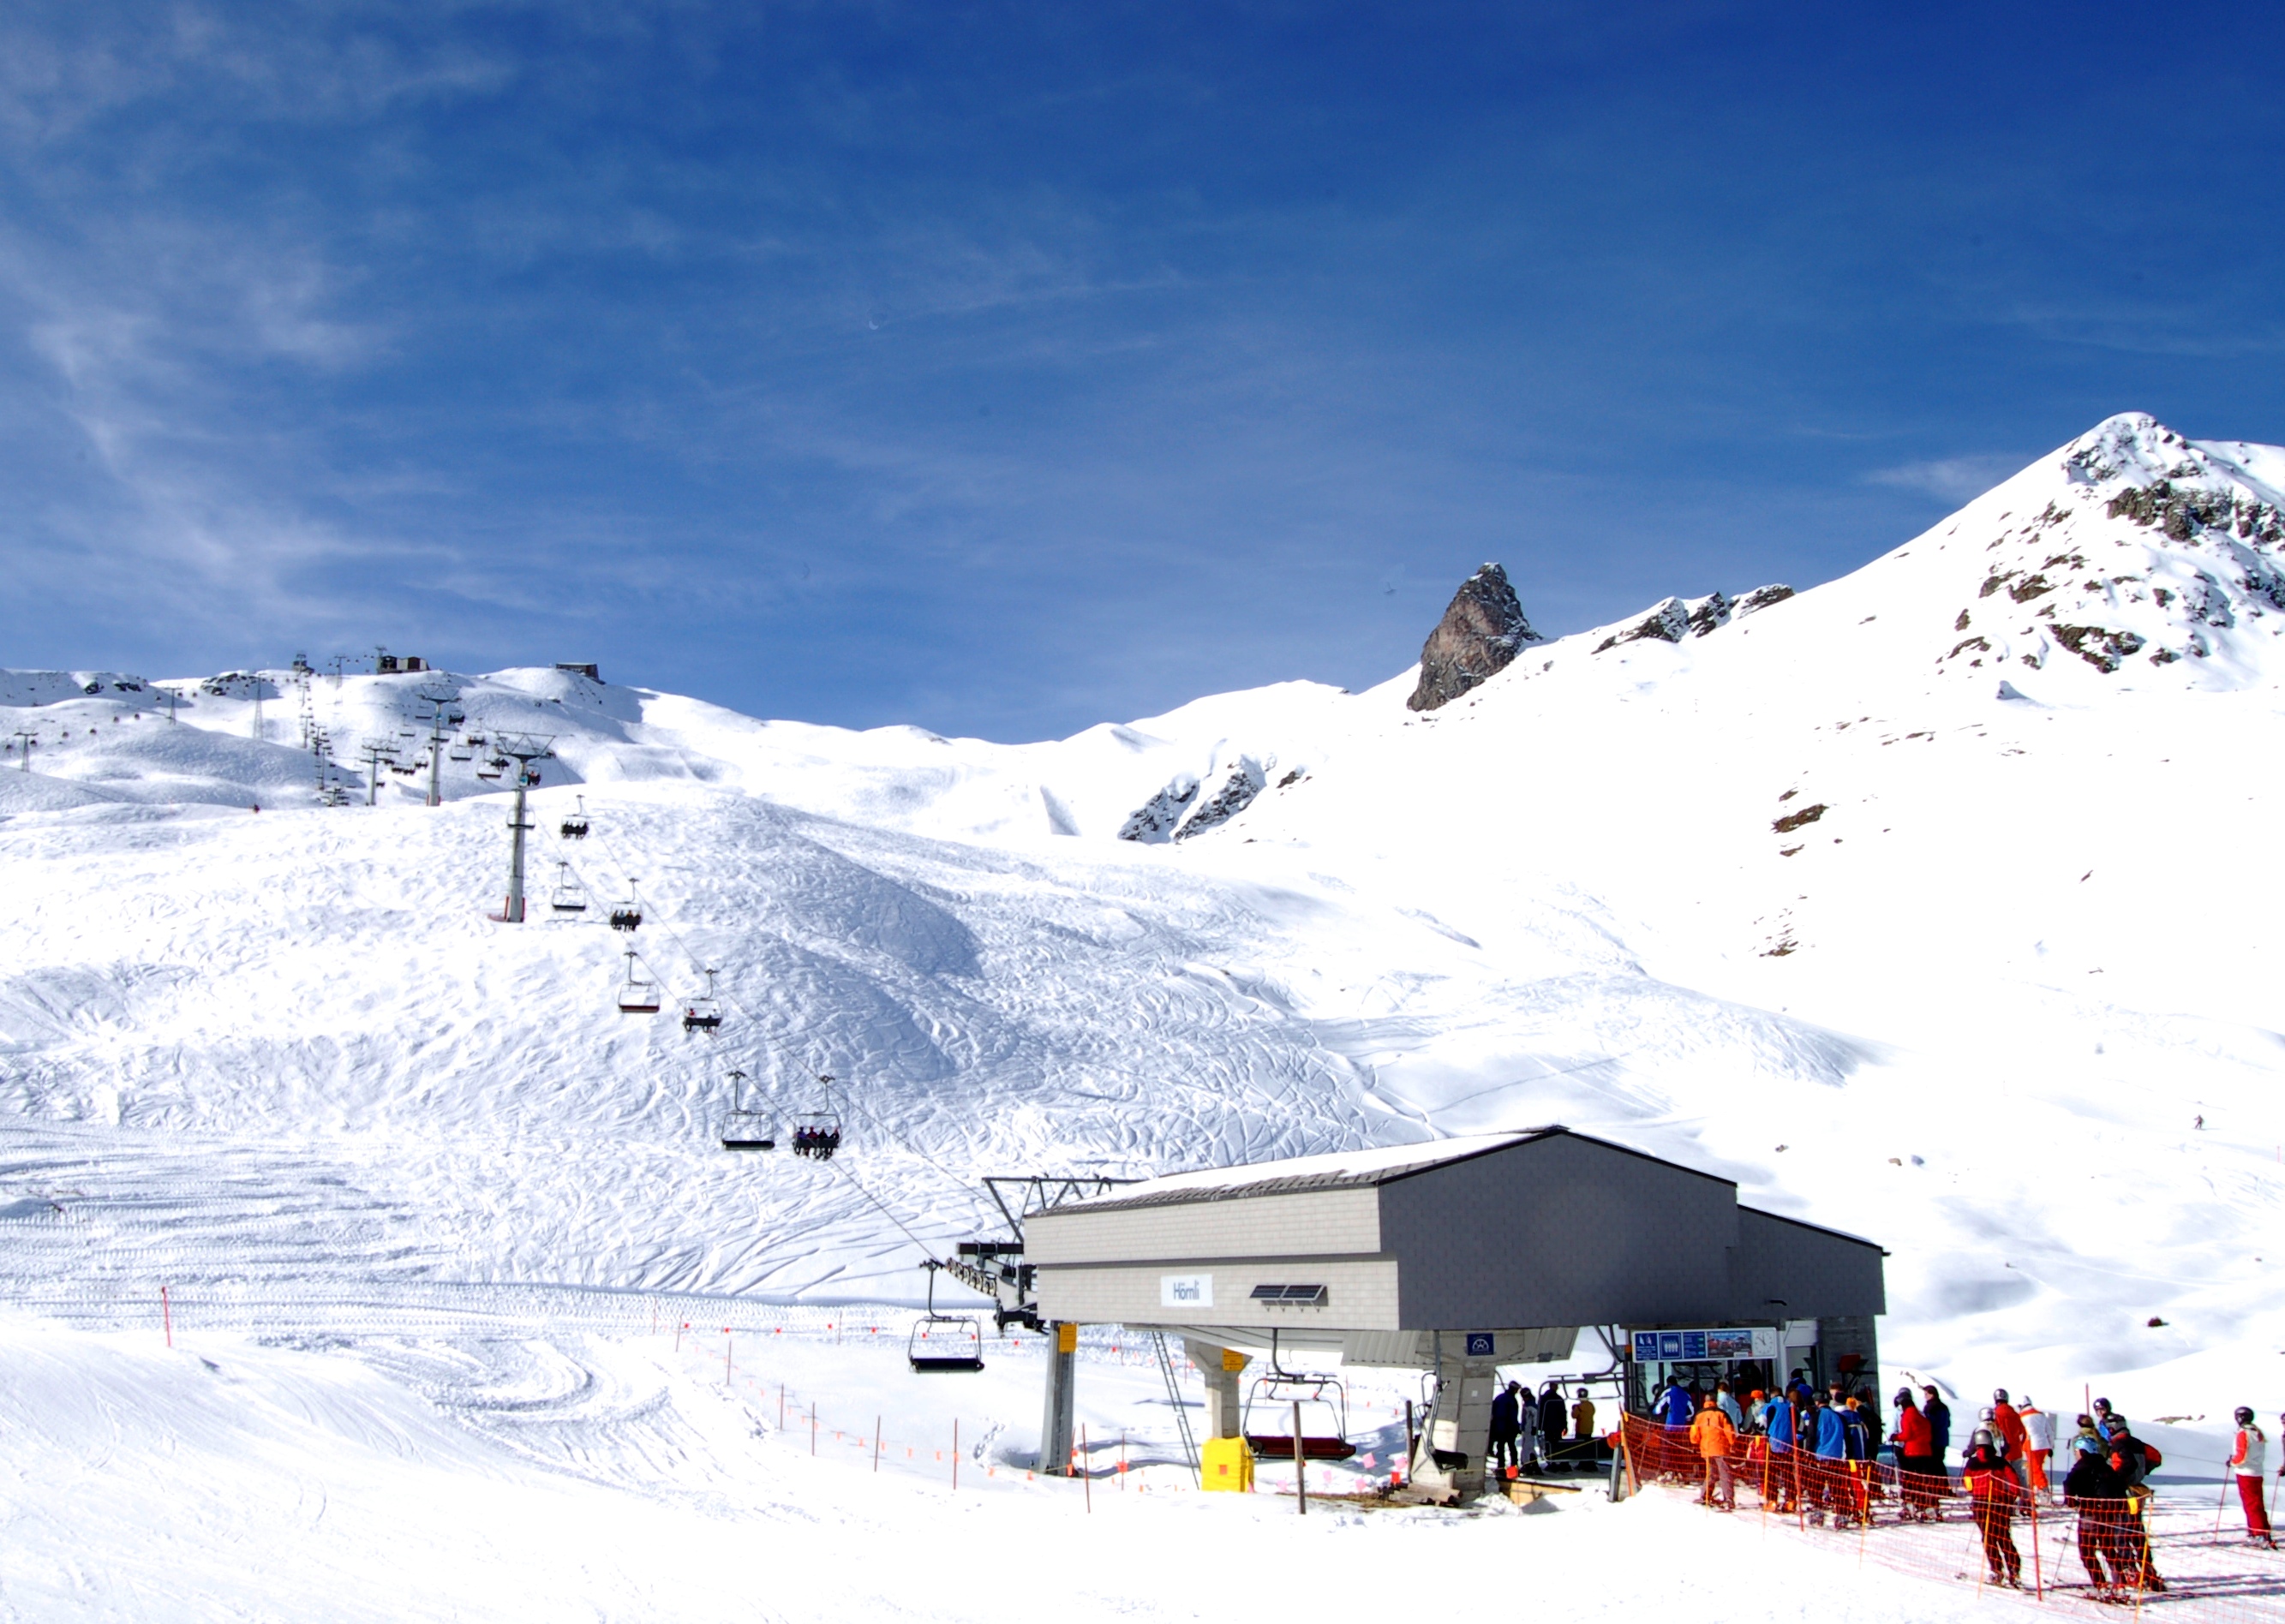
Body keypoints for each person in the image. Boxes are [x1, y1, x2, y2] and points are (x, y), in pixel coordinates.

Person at [2063, 1434, 2133, 1593]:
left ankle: (2101, 1585)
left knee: (2087, 1550)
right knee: (2108, 1548)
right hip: (2110, 1514)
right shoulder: (2105, 1465)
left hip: (2091, 1513)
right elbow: (2119, 1486)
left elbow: (2069, 1483)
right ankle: (2120, 1584)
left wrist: (2071, 1501)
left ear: (2082, 1451)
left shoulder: (2081, 1466)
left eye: (2076, 1451)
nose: (2076, 1454)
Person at [2103, 1419, 2166, 1592]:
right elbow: (2156, 1457)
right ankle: (2147, 1567)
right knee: (2137, 1530)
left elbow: (2128, 1464)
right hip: (2138, 1492)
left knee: (2121, 1531)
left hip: (2125, 1493)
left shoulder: (2118, 1445)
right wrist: (2144, 1471)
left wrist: (2116, 1479)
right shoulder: (2137, 1443)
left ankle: (2129, 1569)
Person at [1962, 1425, 2025, 1588]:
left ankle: (1997, 1571)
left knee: (1988, 1538)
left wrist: (1973, 1490)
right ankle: (2015, 1570)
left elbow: (1967, 1482)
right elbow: (2014, 1480)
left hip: (1981, 1504)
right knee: (2004, 1537)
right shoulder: (1999, 1462)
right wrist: (2011, 1496)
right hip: (1999, 1503)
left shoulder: (1972, 1463)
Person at [1891, 1387, 1940, 1520]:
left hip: (1912, 1451)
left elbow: (1907, 1434)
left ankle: (1914, 1504)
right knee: (1926, 1479)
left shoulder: (1907, 1416)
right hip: (1926, 1450)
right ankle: (1930, 1505)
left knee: (1913, 1479)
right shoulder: (1921, 1415)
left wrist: (1896, 1437)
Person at [2229, 1407, 2274, 1549]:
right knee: (2257, 1504)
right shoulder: (2257, 1432)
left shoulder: (2244, 1433)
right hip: (2257, 1471)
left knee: (2251, 1505)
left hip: (2246, 1472)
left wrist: (2232, 1462)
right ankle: (2262, 1532)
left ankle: (2258, 1534)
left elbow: (2242, 1456)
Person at [1690, 1394, 1738, 1510]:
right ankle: (1728, 1499)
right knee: (1725, 1474)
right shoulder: (1721, 1414)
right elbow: (1729, 1430)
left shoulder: (1699, 1415)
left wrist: (1695, 1443)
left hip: (1706, 1449)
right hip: (1721, 1448)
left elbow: (1694, 1433)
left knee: (1711, 1473)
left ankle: (1705, 1495)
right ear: (1715, 1401)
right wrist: (1733, 1444)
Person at [2019, 1394, 2055, 1497]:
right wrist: (2051, 1446)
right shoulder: (2041, 1415)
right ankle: (2037, 1490)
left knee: (2035, 1470)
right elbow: (2049, 1432)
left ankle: (2043, 1490)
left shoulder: (2022, 1417)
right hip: (2044, 1445)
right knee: (2037, 1468)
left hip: (2031, 1446)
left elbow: (2020, 1434)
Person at [1993, 1388, 2029, 1488]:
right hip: (2016, 1450)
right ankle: (2026, 1498)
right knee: (2018, 1476)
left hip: (2002, 1451)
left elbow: (1993, 1432)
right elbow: (2022, 1432)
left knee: (2003, 1476)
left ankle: (2005, 1498)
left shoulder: (1995, 1414)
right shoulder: (2015, 1415)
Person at [1489, 1382, 1522, 1477]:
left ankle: (1500, 1469)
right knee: (1512, 1448)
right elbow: (1513, 1416)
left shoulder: (1499, 1397)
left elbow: (1492, 1412)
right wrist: (1516, 1427)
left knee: (1500, 1448)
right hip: (1509, 1428)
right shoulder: (1512, 1400)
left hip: (1499, 1428)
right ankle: (1513, 1469)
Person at [1923, 1384, 1953, 1465]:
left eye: (1926, 1394)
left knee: (1933, 1464)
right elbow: (1948, 1423)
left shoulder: (1930, 1407)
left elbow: (1928, 1423)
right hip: (1943, 1438)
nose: (1925, 1397)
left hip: (1934, 1439)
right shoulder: (1944, 1407)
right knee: (1940, 1461)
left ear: (1932, 1394)